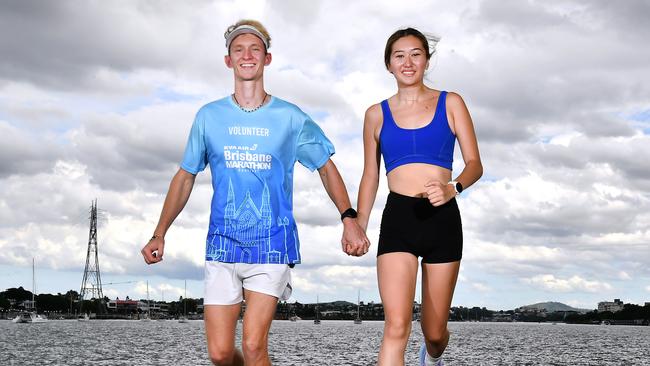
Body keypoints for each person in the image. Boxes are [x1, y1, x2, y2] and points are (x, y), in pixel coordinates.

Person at [140, 19, 369, 366]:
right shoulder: (209, 116)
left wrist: (348, 218)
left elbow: (325, 165)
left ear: (267, 58)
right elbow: (185, 176)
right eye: (238, 50)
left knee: (253, 346)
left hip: (272, 245)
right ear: (228, 60)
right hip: (222, 245)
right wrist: (160, 232)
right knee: (219, 354)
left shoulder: (290, 117)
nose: (247, 55)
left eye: (255, 49)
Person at [356, 28, 483, 366]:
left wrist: (452, 187)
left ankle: (432, 356)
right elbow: (370, 176)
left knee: (435, 333)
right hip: (398, 218)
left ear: (426, 60)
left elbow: (475, 164)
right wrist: (358, 224)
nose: (407, 62)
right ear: (389, 64)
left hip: (442, 217)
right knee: (396, 326)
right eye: (399, 55)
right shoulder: (375, 115)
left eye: (415, 54)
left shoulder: (451, 102)